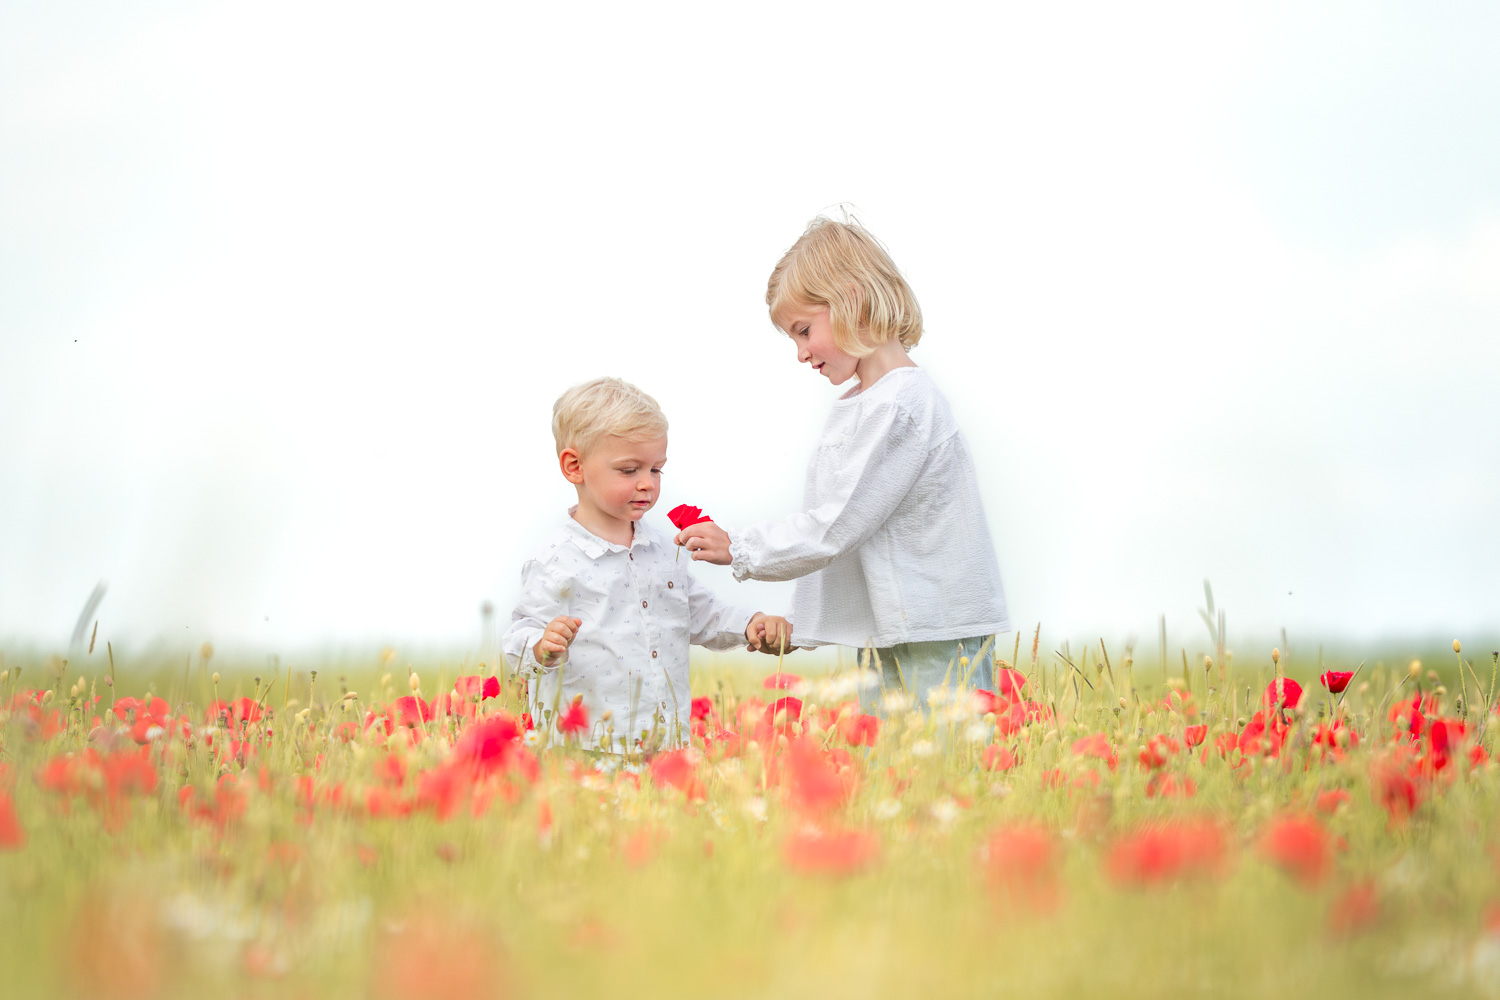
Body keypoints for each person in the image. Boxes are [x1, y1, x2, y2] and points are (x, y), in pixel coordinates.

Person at [675, 216, 1008, 711]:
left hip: (936, 633)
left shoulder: (901, 404)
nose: (801, 352)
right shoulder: (867, 402)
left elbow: (836, 524)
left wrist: (741, 549)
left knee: (945, 762)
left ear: (850, 298)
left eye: (804, 331)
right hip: (891, 629)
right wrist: (803, 626)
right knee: (889, 766)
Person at [502, 376, 792, 753]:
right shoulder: (558, 559)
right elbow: (518, 635)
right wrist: (542, 646)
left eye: (656, 470)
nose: (647, 484)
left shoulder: (660, 548)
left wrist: (750, 624)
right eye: (629, 470)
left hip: (665, 739)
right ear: (575, 467)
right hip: (589, 744)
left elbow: (699, 613)